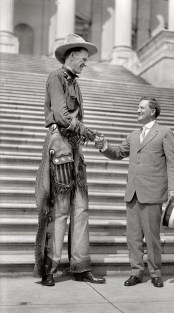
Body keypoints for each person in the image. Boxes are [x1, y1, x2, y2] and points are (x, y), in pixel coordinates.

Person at [33, 34, 105, 286]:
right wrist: (87, 131)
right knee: (60, 209)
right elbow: (62, 116)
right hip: (61, 146)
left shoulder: (75, 81)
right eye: (83, 59)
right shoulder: (56, 77)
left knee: (81, 208)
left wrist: (85, 133)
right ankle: (49, 269)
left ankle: (81, 266)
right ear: (72, 55)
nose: (86, 64)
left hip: (74, 148)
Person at [95, 97, 174, 287]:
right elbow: (117, 153)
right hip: (133, 192)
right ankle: (136, 272)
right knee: (132, 237)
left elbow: (173, 162)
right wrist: (104, 146)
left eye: (141, 108)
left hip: (152, 192)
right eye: (137, 107)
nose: (137, 110)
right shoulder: (133, 135)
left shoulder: (164, 132)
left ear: (153, 111)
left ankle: (155, 273)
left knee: (152, 237)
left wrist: (173, 187)